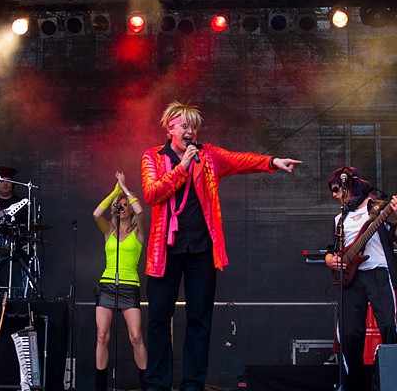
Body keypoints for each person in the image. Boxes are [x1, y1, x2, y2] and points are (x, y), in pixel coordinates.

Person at [140, 101, 302, 391]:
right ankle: (156, 385)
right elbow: (152, 194)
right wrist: (183, 167)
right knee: (158, 319)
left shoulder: (209, 156)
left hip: (201, 250)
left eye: (195, 127)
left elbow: (240, 160)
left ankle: (192, 385)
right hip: (165, 251)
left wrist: (271, 162)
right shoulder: (152, 157)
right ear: (170, 128)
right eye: (185, 126)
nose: (191, 132)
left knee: (200, 319)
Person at [324, 166, 397, 391]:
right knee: (350, 333)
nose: (335, 195)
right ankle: (353, 384)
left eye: (336, 190)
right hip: (351, 279)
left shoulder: (379, 207)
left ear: (348, 185)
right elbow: (331, 249)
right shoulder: (340, 218)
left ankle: (392, 379)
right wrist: (329, 260)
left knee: (388, 326)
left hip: (378, 273)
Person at [93, 171, 148, 391]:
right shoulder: (109, 231)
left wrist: (126, 190)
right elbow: (96, 214)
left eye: (125, 205)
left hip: (129, 286)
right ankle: (100, 386)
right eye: (119, 205)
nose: (122, 208)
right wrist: (114, 192)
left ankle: (147, 384)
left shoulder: (138, 232)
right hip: (107, 285)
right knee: (102, 336)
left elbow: (141, 211)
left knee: (136, 336)